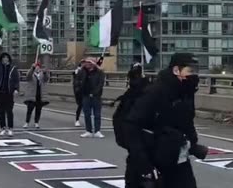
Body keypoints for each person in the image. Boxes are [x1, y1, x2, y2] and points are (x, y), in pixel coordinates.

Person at [123, 53, 200, 188]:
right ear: (176, 70)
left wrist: (193, 144)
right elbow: (131, 126)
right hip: (151, 159)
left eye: (196, 71)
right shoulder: (155, 92)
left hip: (178, 158)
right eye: (190, 71)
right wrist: (144, 164)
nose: (194, 75)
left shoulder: (187, 92)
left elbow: (187, 121)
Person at [112, 63, 150, 188]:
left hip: (140, 145)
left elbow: (118, 120)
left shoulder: (139, 95)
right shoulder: (132, 96)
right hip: (141, 145)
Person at [76, 58, 105, 138]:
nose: (87, 64)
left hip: (96, 96)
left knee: (97, 114)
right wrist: (79, 89)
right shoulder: (82, 71)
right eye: (86, 62)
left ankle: (97, 131)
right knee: (87, 114)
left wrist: (95, 93)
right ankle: (88, 131)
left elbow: (101, 83)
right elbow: (77, 81)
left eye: (89, 62)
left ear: (93, 63)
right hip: (85, 95)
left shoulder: (99, 72)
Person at [0, 52, 19, 137]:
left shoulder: (13, 69)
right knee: (1, 112)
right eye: (3, 58)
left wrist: (16, 89)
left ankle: (10, 128)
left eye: (7, 58)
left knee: (9, 111)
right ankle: (3, 128)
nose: (5, 59)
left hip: (9, 93)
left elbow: (16, 80)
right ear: (1, 59)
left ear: (9, 59)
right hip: (0, 92)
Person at [23, 63, 49, 129]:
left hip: (39, 95)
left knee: (38, 110)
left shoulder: (42, 74)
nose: (37, 68)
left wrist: (45, 72)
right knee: (30, 109)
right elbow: (28, 76)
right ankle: (27, 122)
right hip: (32, 95)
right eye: (36, 67)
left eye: (38, 67)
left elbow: (46, 79)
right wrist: (32, 68)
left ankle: (36, 122)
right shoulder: (32, 74)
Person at [72, 62, 83, 127]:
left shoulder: (85, 72)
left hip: (85, 91)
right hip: (78, 92)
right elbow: (75, 83)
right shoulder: (76, 72)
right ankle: (77, 120)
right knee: (80, 105)